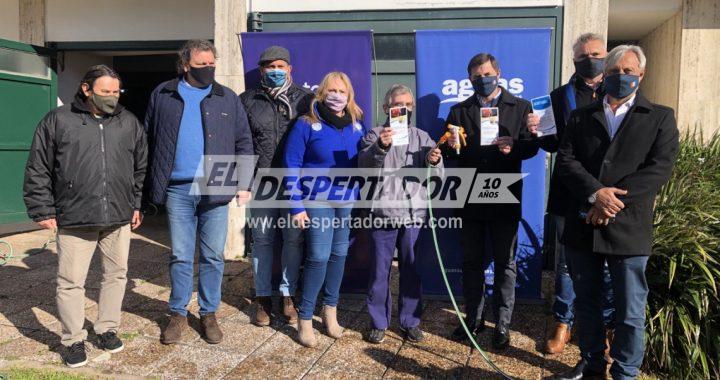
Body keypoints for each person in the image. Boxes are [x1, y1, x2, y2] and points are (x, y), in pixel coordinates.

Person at [554, 45, 679, 380]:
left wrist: (611, 201)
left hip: (628, 228)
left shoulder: (660, 117)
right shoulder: (581, 116)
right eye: (613, 71)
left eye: (627, 71)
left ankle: (625, 372)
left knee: (629, 310)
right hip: (584, 225)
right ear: (604, 76)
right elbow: (566, 161)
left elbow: (660, 168)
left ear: (641, 74)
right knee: (587, 303)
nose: (619, 77)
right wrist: (596, 194)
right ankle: (593, 365)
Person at [23, 65, 147, 367]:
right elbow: (39, 167)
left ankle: (106, 328)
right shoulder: (58, 120)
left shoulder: (128, 122)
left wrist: (136, 204)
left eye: (117, 92)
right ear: (86, 89)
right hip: (75, 216)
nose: (112, 98)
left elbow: (140, 167)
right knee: (70, 282)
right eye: (106, 92)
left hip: (117, 216)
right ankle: (73, 340)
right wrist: (42, 208)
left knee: (116, 276)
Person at [144, 40, 253, 345]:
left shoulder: (227, 98)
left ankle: (208, 313)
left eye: (212, 63)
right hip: (178, 188)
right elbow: (148, 138)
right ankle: (178, 314)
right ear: (185, 65)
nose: (209, 68)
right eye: (202, 64)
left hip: (216, 187)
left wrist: (244, 183)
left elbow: (244, 142)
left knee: (212, 255)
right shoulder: (163, 94)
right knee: (180, 254)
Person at [526, 33, 616, 355]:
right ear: (574, 59)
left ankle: (606, 329)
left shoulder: (617, 90)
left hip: (609, 193)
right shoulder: (559, 95)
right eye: (583, 55)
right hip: (569, 191)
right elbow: (551, 145)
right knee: (566, 264)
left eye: (596, 53)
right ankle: (563, 322)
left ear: (605, 56)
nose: (590, 58)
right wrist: (538, 131)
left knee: (606, 264)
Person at [442, 53, 539, 350]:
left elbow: (533, 146)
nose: (481, 79)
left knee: (504, 263)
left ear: (498, 73)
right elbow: (449, 152)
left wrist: (515, 147)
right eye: (475, 76)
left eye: (486, 73)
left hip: (504, 194)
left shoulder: (520, 106)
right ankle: (474, 318)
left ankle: (503, 323)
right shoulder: (459, 111)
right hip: (470, 195)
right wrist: (450, 147)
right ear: (470, 79)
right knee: (471, 262)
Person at [284, 71, 366, 347]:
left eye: (342, 91)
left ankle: (330, 311)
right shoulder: (306, 124)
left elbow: (366, 161)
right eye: (331, 90)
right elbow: (292, 164)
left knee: (339, 254)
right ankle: (305, 318)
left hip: (347, 199)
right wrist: (296, 206)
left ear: (349, 95)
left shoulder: (356, 124)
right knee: (318, 256)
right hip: (316, 199)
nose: (337, 96)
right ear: (321, 93)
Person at [358, 84, 443, 344]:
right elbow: (364, 168)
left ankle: (410, 321)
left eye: (408, 105)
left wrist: (434, 160)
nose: (403, 109)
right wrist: (380, 148)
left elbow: (437, 176)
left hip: (413, 215)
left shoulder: (422, 136)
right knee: (379, 271)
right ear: (386, 108)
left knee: (412, 269)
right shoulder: (373, 134)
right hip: (382, 214)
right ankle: (378, 322)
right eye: (398, 105)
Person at [240, 46, 313, 327]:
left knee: (293, 240)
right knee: (262, 241)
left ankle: (287, 293)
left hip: (295, 184)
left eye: (280, 66)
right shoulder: (247, 100)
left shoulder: (307, 100)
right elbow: (242, 145)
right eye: (269, 67)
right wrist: (243, 183)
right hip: (262, 182)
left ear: (290, 69)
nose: (275, 71)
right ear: (261, 71)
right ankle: (262, 296)